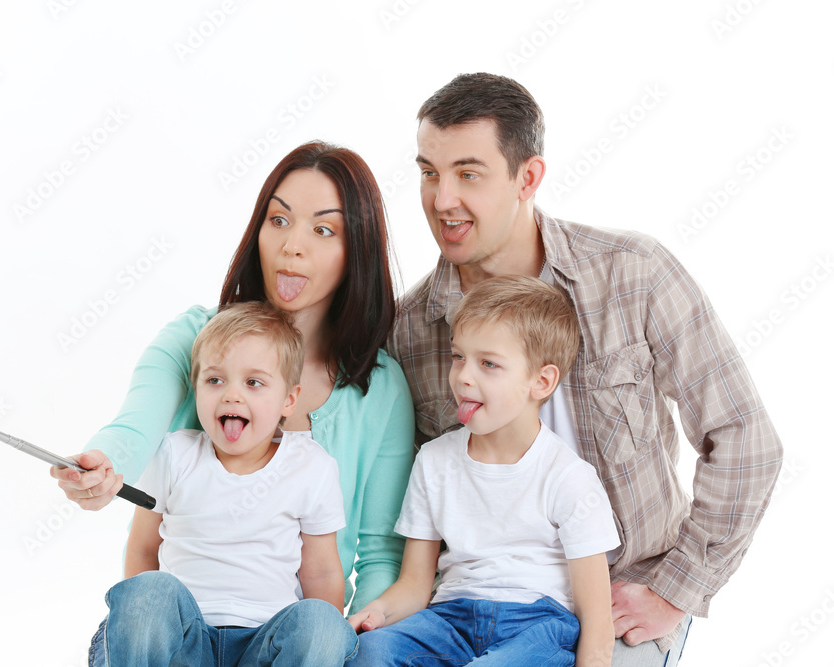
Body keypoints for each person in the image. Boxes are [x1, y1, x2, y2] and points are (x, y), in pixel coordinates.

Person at [389, 73, 783, 664]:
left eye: (468, 173)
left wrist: (675, 589)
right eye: (428, 172)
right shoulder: (411, 328)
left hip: (624, 593)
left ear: (528, 178)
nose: (442, 198)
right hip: (484, 606)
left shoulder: (634, 274)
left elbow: (746, 439)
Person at [52, 141, 416, 613]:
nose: (292, 246)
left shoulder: (380, 387)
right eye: (278, 220)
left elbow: (382, 554)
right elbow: (133, 430)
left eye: (323, 229)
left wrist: (354, 643)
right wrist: (100, 466)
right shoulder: (191, 338)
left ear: (357, 251)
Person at [349, 276, 620, 666]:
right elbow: (414, 585)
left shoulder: (569, 478)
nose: (463, 377)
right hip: (449, 619)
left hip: (537, 626)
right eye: (459, 356)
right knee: (371, 653)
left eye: (488, 364)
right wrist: (378, 613)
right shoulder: (434, 460)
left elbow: (596, 619)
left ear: (541, 382)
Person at [89, 301, 357, 666]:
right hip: (185, 642)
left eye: (254, 382)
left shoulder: (312, 467)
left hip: (263, 645)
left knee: (324, 623)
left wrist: (319, 640)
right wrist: (142, 627)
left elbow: (322, 571)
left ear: (288, 400)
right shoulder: (174, 454)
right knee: (148, 591)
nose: (232, 394)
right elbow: (142, 549)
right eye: (214, 380)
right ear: (196, 389)